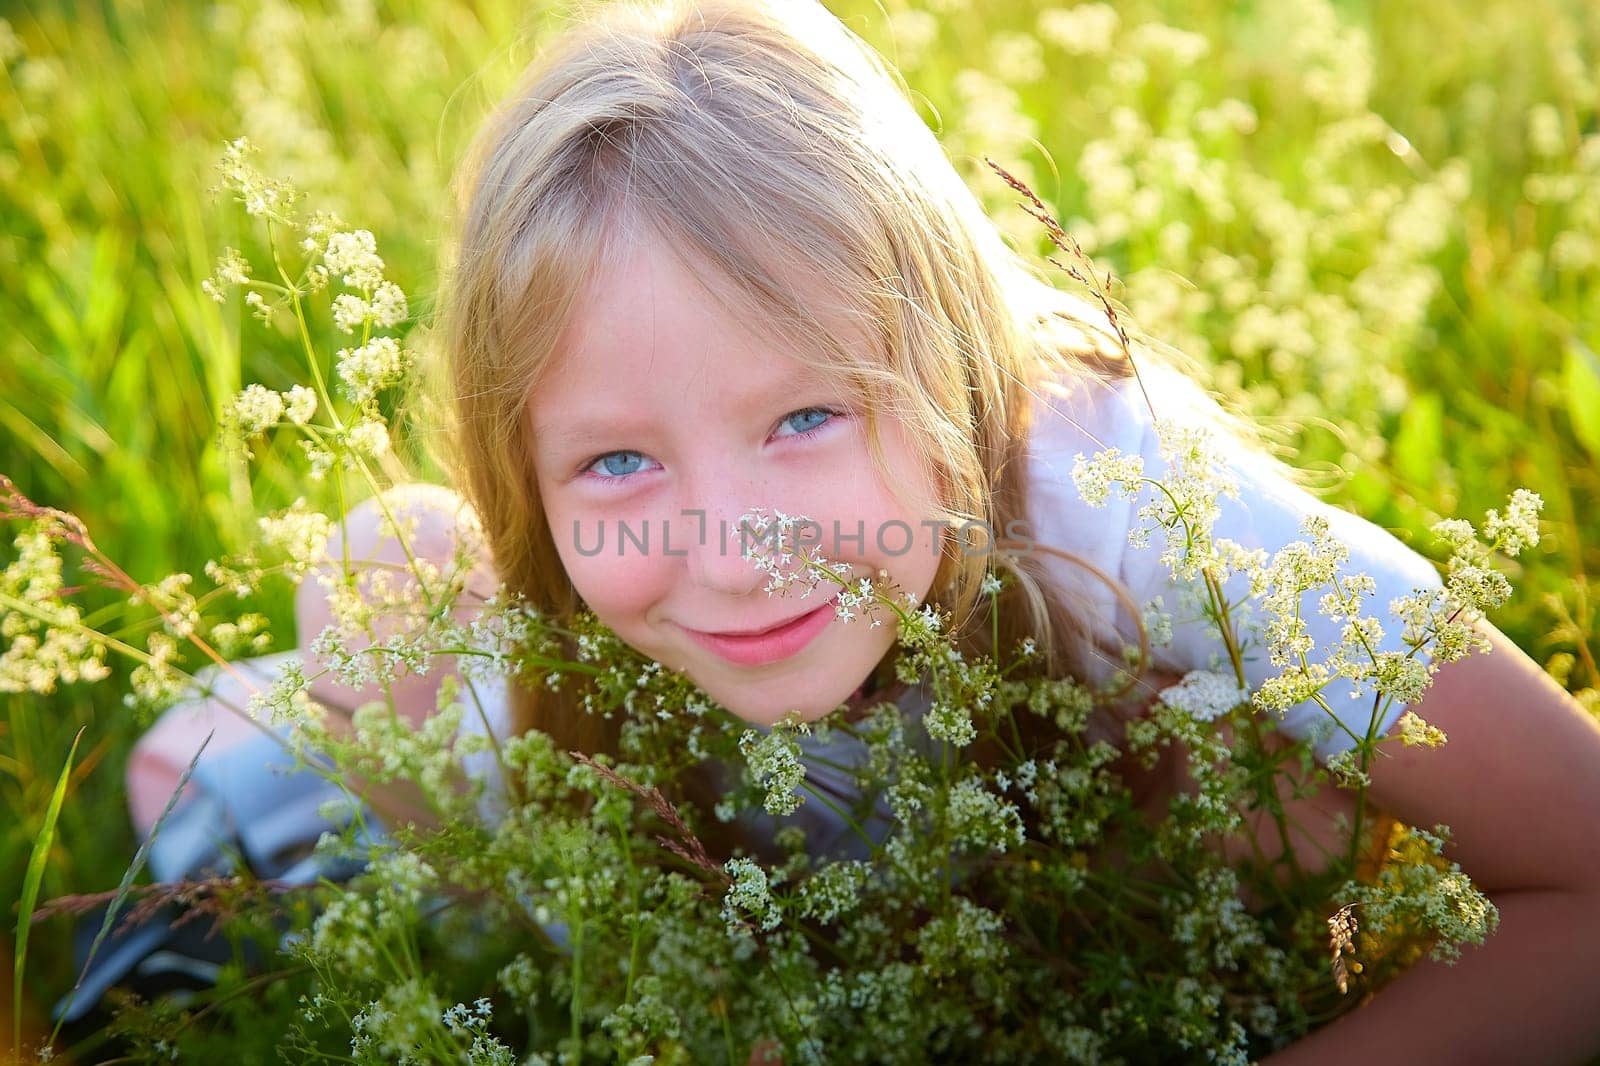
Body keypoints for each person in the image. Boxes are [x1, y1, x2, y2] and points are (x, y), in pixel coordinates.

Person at [120, 1, 1600, 1062]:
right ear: (530, 479)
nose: (737, 545)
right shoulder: (512, 654)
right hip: (491, 846)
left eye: (808, 419)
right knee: (362, 593)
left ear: (956, 366)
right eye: (620, 458)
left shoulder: (1133, 498)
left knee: (1281, 791)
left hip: (982, 870)